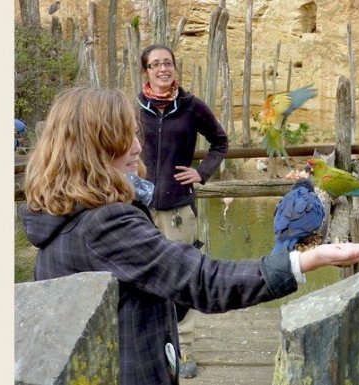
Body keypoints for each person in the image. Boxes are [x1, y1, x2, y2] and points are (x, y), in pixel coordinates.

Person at [19, 87, 359, 385]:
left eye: (135, 134)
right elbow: (204, 281)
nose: (137, 147)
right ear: (92, 148)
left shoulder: (58, 218)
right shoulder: (104, 225)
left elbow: (139, 290)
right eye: (122, 138)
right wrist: (308, 259)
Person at [136, 43, 229, 378]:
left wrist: (201, 173)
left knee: (182, 275)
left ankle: (185, 347)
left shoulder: (190, 107)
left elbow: (220, 141)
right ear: (145, 71)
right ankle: (148, 341)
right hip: (139, 208)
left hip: (178, 207)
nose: (163, 69)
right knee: (140, 277)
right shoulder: (134, 108)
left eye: (168, 63)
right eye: (155, 64)